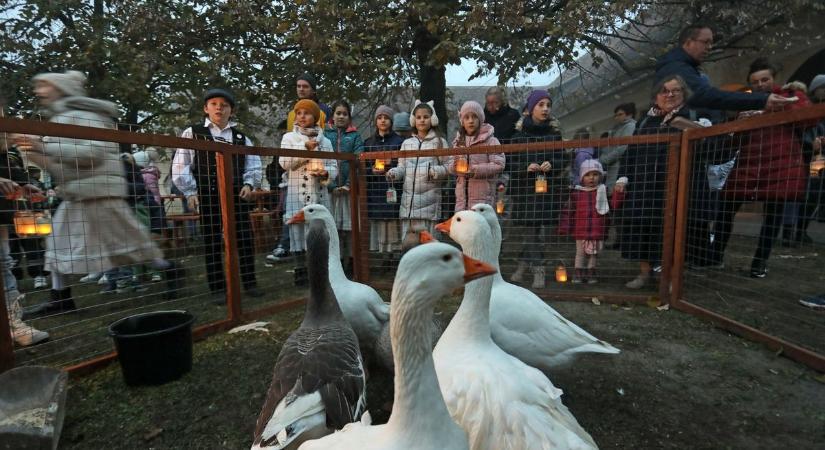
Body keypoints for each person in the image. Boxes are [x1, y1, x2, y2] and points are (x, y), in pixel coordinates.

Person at [12, 70, 177, 318]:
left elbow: (91, 154)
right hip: (79, 194)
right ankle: (61, 298)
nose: (38, 91)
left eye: (44, 86)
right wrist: (35, 153)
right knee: (59, 242)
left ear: (60, 88)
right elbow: (64, 164)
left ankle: (170, 269)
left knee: (127, 244)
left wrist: (42, 146)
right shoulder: (63, 118)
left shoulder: (85, 116)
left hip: (99, 195)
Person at [708, 59, 812, 278]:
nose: (761, 84)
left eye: (765, 79)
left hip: (781, 163)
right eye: (755, 81)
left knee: (773, 215)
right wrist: (740, 125)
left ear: (773, 79)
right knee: (726, 209)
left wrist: (787, 104)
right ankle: (715, 255)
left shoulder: (790, 96)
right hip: (748, 162)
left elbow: (809, 120)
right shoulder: (746, 104)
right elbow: (733, 143)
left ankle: (759, 263)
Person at [172, 88, 263, 299]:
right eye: (214, 104)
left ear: (231, 110)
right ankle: (218, 289)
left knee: (245, 239)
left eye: (224, 105)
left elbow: (253, 165)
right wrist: (190, 191)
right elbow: (181, 165)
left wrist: (249, 184)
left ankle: (249, 283)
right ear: (206, 108)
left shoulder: (241, 137)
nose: (219, 108)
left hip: (236, 195)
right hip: (208, 195)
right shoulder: (192, 132)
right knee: (212, 240)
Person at [617, 75, 702, 289]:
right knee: (642, 229)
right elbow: (631, 151)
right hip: (644, 187)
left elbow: (707, 150)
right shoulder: (646, 121)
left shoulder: (692, 117)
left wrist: (697, 131)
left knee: (672, 231)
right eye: (664, 91)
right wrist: (624, 176)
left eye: (676, 90)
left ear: (684, 93)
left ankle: (670, 277)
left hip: (675, 187)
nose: (670, 95)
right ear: (656, 96)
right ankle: (645, 274)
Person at [655, 24, 797, 122]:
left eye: (711, 43)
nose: (710, 47)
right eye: (706, 42)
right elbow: (705, 96)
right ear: (688, 42)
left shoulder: (680, 66)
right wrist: (760, 100)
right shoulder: (676, 68)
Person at [0, 97, 49, 345]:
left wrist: (24, 184)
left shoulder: (8, 149)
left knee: (4, 263)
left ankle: (12, 325)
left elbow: (9, 167)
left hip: (3, 213)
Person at [506, 89, 566, 289]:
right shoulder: (518, 136)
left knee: (537, 232)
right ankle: (538, 269)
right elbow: (510, 163)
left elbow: (563, 158)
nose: (546, 109)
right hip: (525, 192)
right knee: (532, 231)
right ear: (531, 109)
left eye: (548, 105)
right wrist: (525, 167)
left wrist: (553, 164)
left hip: (547, 191)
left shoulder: (554, 135)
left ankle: (522, 267)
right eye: (541, 105)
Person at [279, 99, 337, 254]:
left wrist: (325, 173)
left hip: (320, 195)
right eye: (299, 113)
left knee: (320, 237)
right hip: (298, 195)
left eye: (307, 113)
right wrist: (304, 148)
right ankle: (301, 272)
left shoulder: (325, 141)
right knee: (299, 236)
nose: (302, 116)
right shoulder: (289, 138)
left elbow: (333, 166)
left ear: (315, 117)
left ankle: (321, 271)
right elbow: (284, 162)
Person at [386, 100, 449, 237]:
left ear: (432, 119)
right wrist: (394, 173)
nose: (422, 120)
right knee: (409, 244)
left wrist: (437, 171)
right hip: (408, 205)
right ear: (413, 120)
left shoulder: (440, 142)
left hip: (430, 204)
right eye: (419, 117)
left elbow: (448, 167)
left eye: (426, 117)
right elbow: (402, 167)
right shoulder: (407, 143)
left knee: (428, 245)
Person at [559, 160, 626, 284]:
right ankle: (578, 273)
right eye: (588, 175)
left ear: (600, 177)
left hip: (598, 229)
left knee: (594, 254)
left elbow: (614, 205)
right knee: (580, 253)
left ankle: (591, 273)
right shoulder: (576, 193)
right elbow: (568, 210)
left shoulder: (603, 191)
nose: (592, 178)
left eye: (595, 174)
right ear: (582, 177)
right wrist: (565, 227)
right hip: (580, 230)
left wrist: (618, 193)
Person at [323, 100, 364, 271]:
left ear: (349, 116)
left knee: (350, 228)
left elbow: (358, 160)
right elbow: (322, 160)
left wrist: (348, 185)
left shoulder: (355, 136)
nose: (341, 116)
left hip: (349, 191)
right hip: (330, 190)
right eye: (338, 113)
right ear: (333, 115)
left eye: (344, 114)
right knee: (334, 229)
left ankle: (353, 261)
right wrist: (331, 185)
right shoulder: (325, 135)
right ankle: (336, 262)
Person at [447, 100, 505, 212]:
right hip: (462, 200)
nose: (471, 121)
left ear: (481, 119)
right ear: (462, 121)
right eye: (466, 117)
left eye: (474, 117)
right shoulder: (458, 142)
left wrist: (475, 170)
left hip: (483, 200)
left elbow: (499, 164)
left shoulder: (491, 141)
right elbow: (450, 166)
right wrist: (455, 165)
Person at [364, 105, 404, 253]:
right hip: (375, 191)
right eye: (380, 118)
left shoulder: (399, 142)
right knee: (380, 224)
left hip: (393, 188)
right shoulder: (368, 143)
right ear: (375, 121)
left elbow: (403, 164)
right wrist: (372, 171)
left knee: (393, 224)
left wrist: (390, 163)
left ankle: (393, 256)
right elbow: (363, 168)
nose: (382, 121)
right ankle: (382, 256)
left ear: (391, 121)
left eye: (386, 118)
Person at [600, 103, 637, 193]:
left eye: (620, 114)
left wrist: (606, 159)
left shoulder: (630, 126)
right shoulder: (617, 128)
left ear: (629, 114)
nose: (617, 117)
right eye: (616, 115)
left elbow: (623, 147)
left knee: (617, 194)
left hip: (619, 165)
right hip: (613, 165)